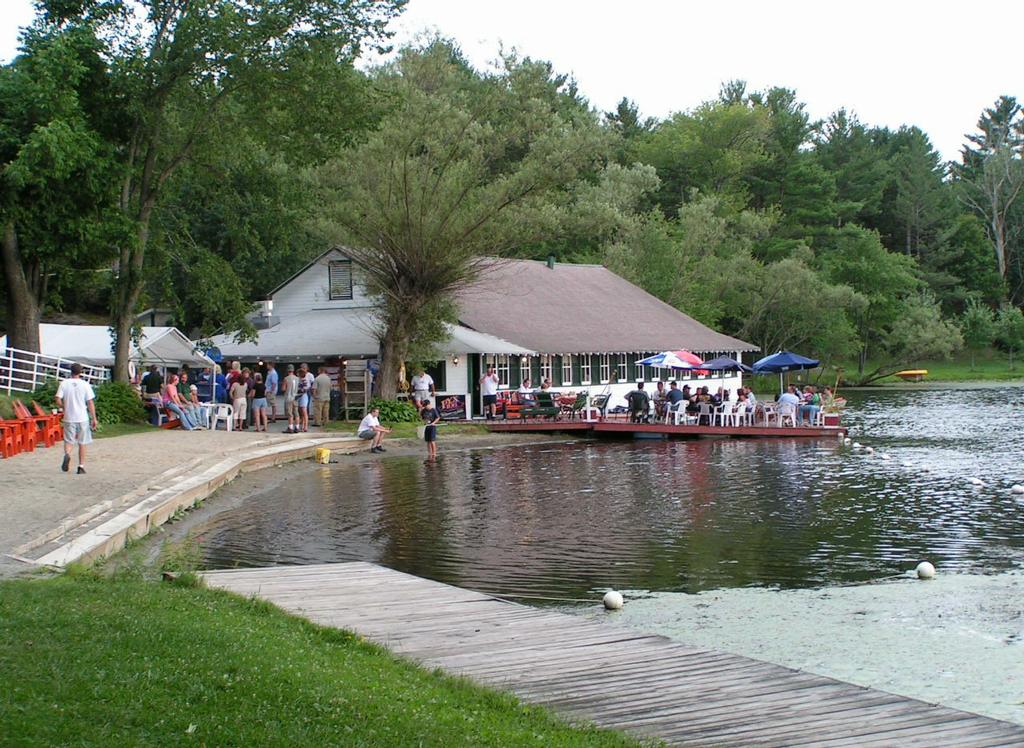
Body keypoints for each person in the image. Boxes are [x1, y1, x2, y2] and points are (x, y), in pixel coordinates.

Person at [55, 363, 98, 474]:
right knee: (82, 442)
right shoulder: (85, 384)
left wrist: (64, 407)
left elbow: (58, 399)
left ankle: (67, 454)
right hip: (82, 417)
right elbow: (90, 402)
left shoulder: (64, 384)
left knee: (69, 440)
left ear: (71, 371)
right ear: (81, 372)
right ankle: (81, 466)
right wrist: (94, 418)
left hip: (69, 417)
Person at [297, 363, 315, 432]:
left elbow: (312, 384)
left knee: (305, 408)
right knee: (300, 409)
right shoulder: (298, 378)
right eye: (302, 368)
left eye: (304, 368)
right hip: (300, 394)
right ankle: (302, 421)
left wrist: (312, 392)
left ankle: (305, 424)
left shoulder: (310, 375)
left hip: (306, 392)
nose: (303, 369)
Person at [283, 364, 300, 433]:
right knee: (296, 413)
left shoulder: (286, 378)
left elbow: (283, 388)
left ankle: (290, 428)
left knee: (290, 414)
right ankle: (297, 427)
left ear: (288, 370)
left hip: (289, 398)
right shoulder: (297, 378)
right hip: (295, 397)